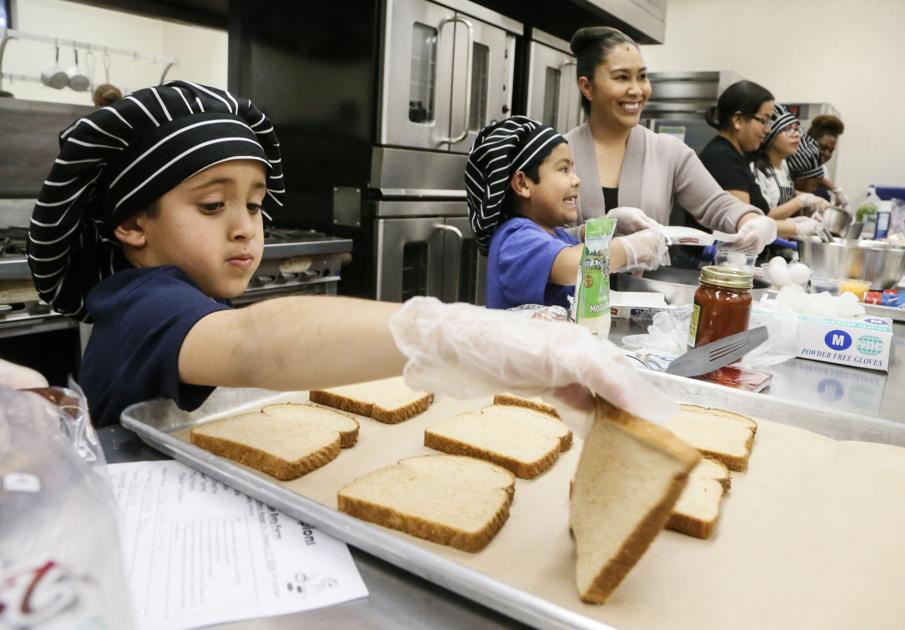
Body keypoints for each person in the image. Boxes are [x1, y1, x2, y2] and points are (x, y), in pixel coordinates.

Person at [28, 81, 673, 428]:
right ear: (132, 224)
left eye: (254, 205)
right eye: (211, 205)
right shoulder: (142, 304)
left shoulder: (172, 294)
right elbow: (257, 341)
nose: (245, 228)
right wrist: (451, 332)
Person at [565, 27, 776, 255]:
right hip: (572, 289)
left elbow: (717, 205)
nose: (637, 90)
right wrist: (599, 231)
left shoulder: (669, 151)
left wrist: (751, 221)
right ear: (587, 87)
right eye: (621, 77)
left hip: (646, 288)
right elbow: (539, 239)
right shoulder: (559, 153)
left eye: (643, 77)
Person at [467, 116, 668, 310]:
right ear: (522, 183)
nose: (576, 180)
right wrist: (631, 247)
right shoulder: (515, 239)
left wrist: (609, 225)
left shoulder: (554, 234)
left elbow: (572, 245)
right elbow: (574, 264)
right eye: (564, 169)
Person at [699, 81, 819, 240]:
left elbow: (759, 215)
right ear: (738, 120)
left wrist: (792, 222)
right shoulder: (721, 157)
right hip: (708, 259)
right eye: (764, 120)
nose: (768, 129)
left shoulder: (737, 156)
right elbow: (745, 223)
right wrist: (797, 227)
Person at [750, 104, 828, 230]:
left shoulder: (785, 165)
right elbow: (762, 216)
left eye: (797, 129)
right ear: (770, 134)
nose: (796, 134)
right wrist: (801, 200)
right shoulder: (756, 168)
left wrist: (800, 220)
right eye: (787, 129)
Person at [787, 114, 847, 206]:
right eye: (822, 147)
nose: (827, 153)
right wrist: (834, 189)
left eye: (831, 150)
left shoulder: (823, 169)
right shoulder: (791, 161)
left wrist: (836, 190)